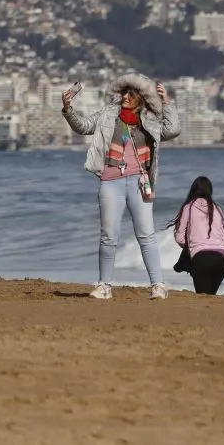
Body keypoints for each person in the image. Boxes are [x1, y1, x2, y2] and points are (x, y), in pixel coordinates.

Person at [62, 74, 181, 300]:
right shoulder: (108, 114)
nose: (125, 97)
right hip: (110, 181)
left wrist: (166, 102)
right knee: (108, 236)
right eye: (124, 93)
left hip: (139, 182)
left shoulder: (151, 119)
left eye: (131, 94)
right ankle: (104, 286)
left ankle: (158, 285)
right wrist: (68, 109)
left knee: (146, 235)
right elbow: (84, 126)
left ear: (141, 98)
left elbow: (173, 130)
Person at [169, 176, 224, 295]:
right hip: (222, 258)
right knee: (211, 296)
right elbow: (222, 237)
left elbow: (179, 237)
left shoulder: (189, 207)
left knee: (203, 297)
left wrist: (190, 245)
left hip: (202, 258)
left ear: (193, 190)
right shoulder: (218, 209)